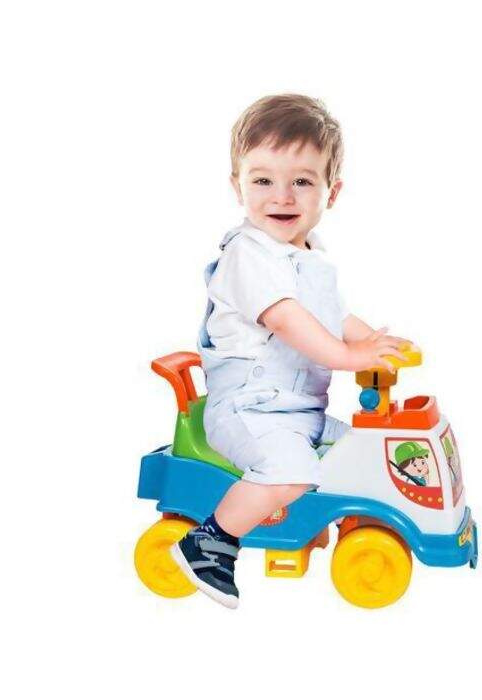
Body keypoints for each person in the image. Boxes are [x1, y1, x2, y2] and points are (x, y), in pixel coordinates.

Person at [171, 94, 407, 608]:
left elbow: (333, 317)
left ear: (331, 191)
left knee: (360, 450)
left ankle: (327, 524)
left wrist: (379, 343)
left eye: (302, 181)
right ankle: (209, 542)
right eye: (262, 180)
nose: (281, 196)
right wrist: (351, 357)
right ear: (237, 184)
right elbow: (288, 319)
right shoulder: (249, 255)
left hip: (297, 412)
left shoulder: (310, 255)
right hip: (249, 408)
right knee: (292, 469)